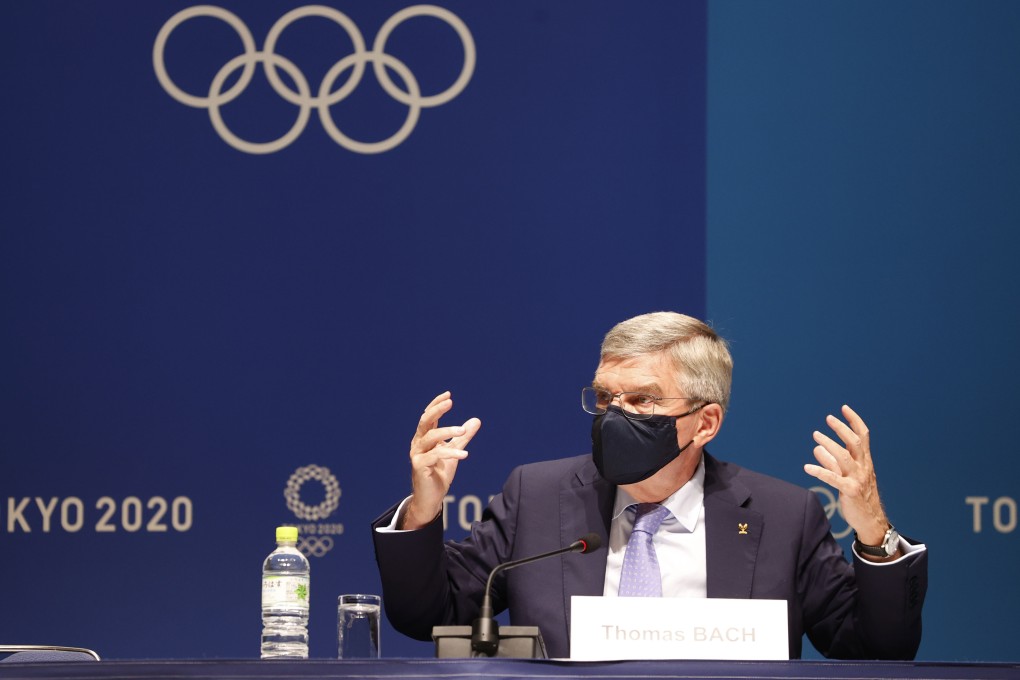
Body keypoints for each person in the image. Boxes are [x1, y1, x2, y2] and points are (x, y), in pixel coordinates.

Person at [371, 312, 927, 659]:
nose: (616, 415)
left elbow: (878, 651)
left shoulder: (784, 516)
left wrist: (875, 535)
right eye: (606, 398)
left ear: (705, 423)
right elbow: (432, 618)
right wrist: (422, 510)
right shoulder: (537, 497)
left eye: (641, 400)